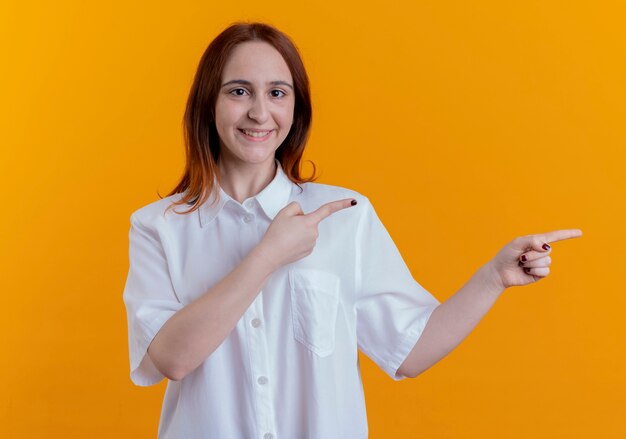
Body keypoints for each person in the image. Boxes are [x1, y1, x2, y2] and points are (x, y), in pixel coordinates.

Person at [122, 22, 582, 439]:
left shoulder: (345, 214)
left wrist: (494, 277)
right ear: (209, 102)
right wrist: (268, 256)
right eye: (239, 92)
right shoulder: (158, 226)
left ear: (296, 108)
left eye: (278, 93)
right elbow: (173, 359)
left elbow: (410, 351)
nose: (260, 113)